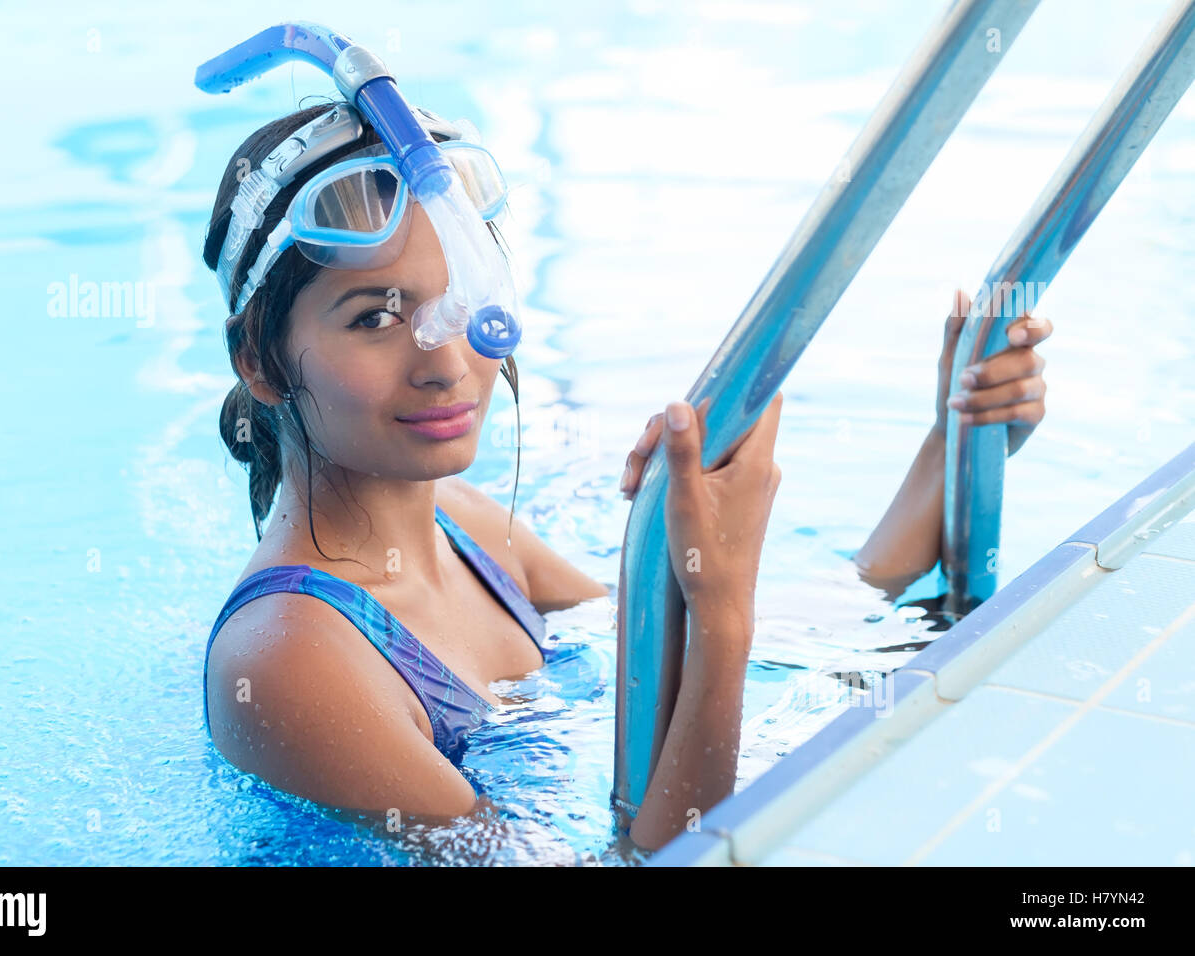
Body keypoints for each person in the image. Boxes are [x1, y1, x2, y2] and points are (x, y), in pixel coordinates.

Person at [201, 100, 1052, 855]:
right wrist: (719, 620)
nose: (446, 363)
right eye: (376, 316)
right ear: (261, 361)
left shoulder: (459, 524)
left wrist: (954, 439)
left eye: (460, 300)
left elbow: (820, 632)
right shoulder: (292, 658)